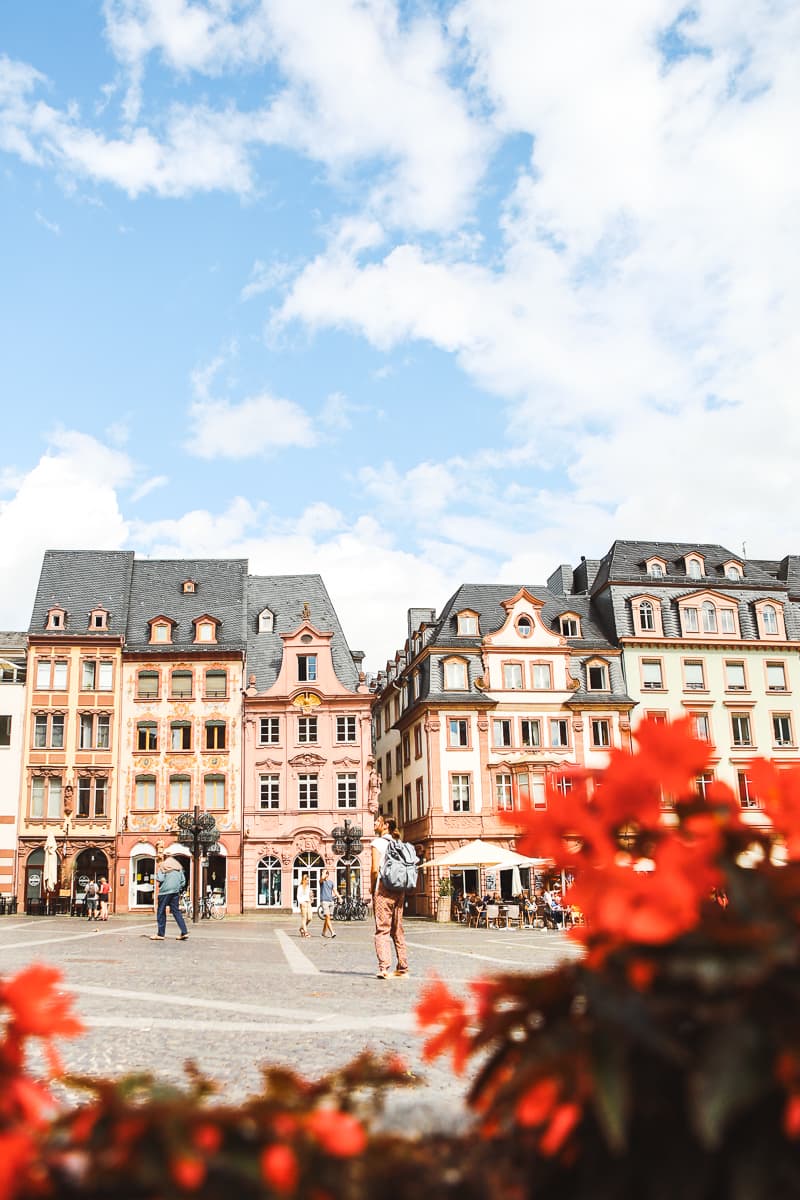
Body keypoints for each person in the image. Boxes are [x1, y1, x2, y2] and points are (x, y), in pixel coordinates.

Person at [371, 815, 409, 979]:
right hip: (399, 889)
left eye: (377, 821)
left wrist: (372, 888)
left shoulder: (377, 843)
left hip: (384, 888)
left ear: (385, 825)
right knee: (397, 928)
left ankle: (384, 967)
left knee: (382, 929)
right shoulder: (399, 844)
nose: (375, 823)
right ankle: (403, 967)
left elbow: (374, 870)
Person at [151, 856, 189, 941]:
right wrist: (177, 887)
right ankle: (184, 931)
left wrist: (156, 876)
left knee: (161, 912)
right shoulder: (179, 868)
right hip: (175, 892)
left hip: (164, 892)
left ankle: (160, 934)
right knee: (176, 911)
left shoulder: (163, 866)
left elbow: (160, 878)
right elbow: (183, 882)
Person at [319, 869, 338, 938]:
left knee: (328, 918)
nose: (324, 874)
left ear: (328, 874)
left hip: (331, 901)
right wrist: (323, 873)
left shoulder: (331, 882)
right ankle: (332, 932)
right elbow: (322, 878)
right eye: (323, 873)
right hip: (324, 901)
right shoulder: (321, 882)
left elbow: (335, 891)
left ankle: (323, 933)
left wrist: (339, 897)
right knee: (327, 917)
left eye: (325, 873)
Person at [297, 872, 312, 937]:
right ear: (304, 880)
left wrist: (311, 899)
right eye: (307, 880)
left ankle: (301, 928)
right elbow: (298, 896)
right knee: (304, 918)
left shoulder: (308, 887)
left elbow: (308, 895)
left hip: (308, 903)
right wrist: (301, 902)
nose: (308, 881)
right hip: (303, 903)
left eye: (308, 880)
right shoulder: (300, 887)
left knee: (309, 918)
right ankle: (306, 932)